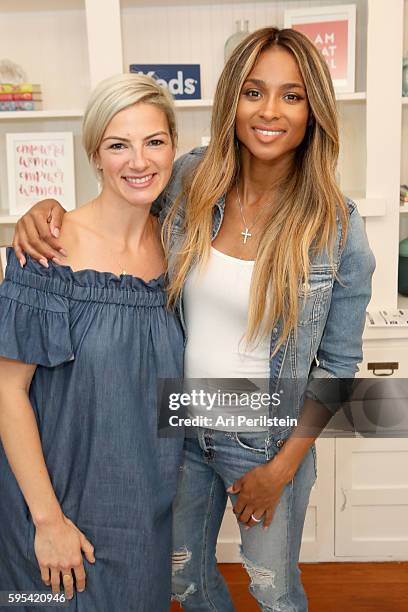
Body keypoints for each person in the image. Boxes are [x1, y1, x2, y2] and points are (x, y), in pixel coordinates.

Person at [11, 27, 375, 612]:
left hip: (265, 438)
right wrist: (45, 209)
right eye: (254, 91)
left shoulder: (337, 227)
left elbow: (337, 367)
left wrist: (280, 468)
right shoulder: (190, 180)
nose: (270, 111)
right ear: (232, 100)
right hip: (175, 429)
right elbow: (119, 201)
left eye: (292, 95)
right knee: (185, 582)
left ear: (314, 112)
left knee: (273, 590)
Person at [0, 73, 183, 612]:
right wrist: (48, 520)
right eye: (118, 145)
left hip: (143, 509)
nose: (139, 161)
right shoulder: (49, 251)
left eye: (154, 141)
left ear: (174, 147)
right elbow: (8, 393)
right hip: (55, 507)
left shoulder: (179, 247)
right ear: (95, 155)